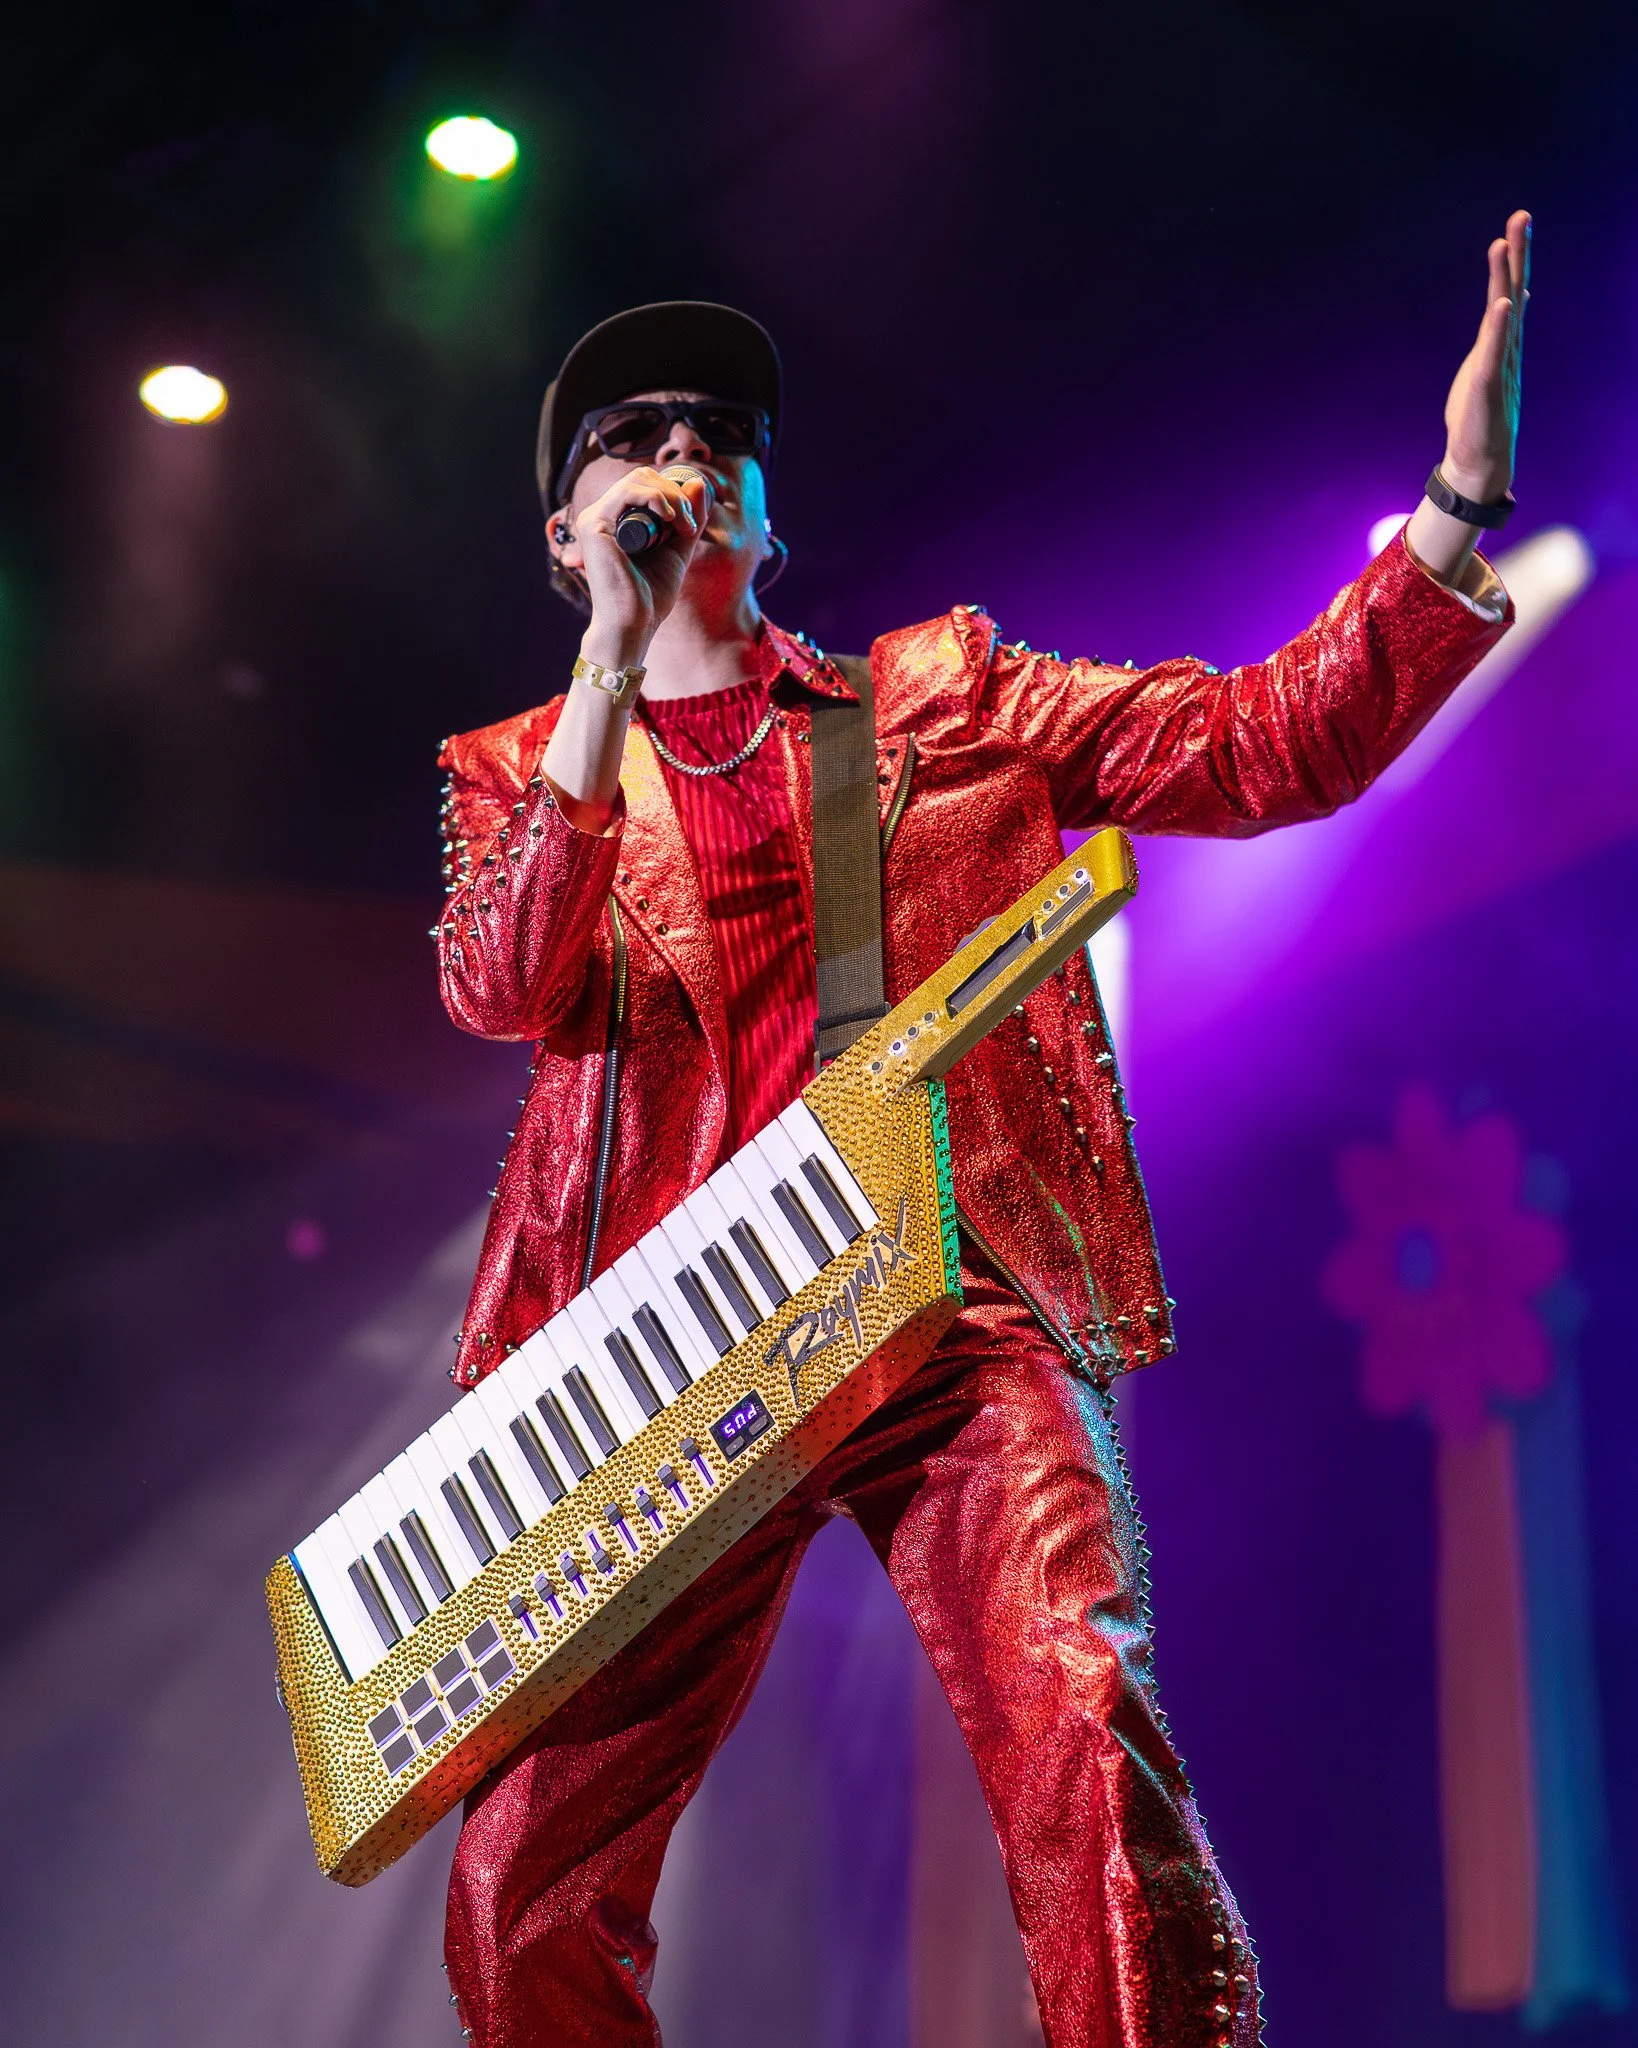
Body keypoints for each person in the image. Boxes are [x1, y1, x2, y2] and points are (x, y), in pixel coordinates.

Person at [435, 214, 1529, 2048]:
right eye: (629, 437)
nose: (681, 452)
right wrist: (610, 676)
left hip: (932, 1298)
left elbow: (1266, 746)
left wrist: (1450, 512)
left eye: (719, 430)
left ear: (769, 516)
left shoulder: (935, 707)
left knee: (1081, 1740)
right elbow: (503, 983)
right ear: (567, 537)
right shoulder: (511, 772)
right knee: (519, 1884)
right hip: (661, 1354)